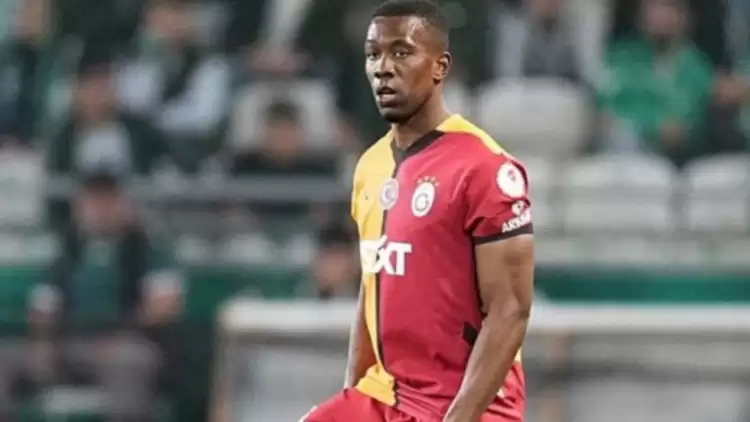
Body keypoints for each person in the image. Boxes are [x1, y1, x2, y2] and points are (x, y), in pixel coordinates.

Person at [303, 1, 535, 421]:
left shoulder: (485, 167)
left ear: (440, 66)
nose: (383, 68)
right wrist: (351, 398)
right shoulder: (370, 166)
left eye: (402, 52)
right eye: (373, 54)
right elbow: (372, 286)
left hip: (471, 406)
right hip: (388, 397)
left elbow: (510, 310)